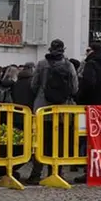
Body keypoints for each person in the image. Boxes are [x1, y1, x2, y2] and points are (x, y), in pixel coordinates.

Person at [28, 39, 78, 185]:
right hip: (62, 110)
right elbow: (74, 88)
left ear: (50, 49)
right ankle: (56, 172)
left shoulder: (42, 64)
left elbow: (34, 85)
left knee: (41, 142)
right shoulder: (69, 65)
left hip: (42, 109)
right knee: (60, 142)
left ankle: (36, 174)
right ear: (63, 49)